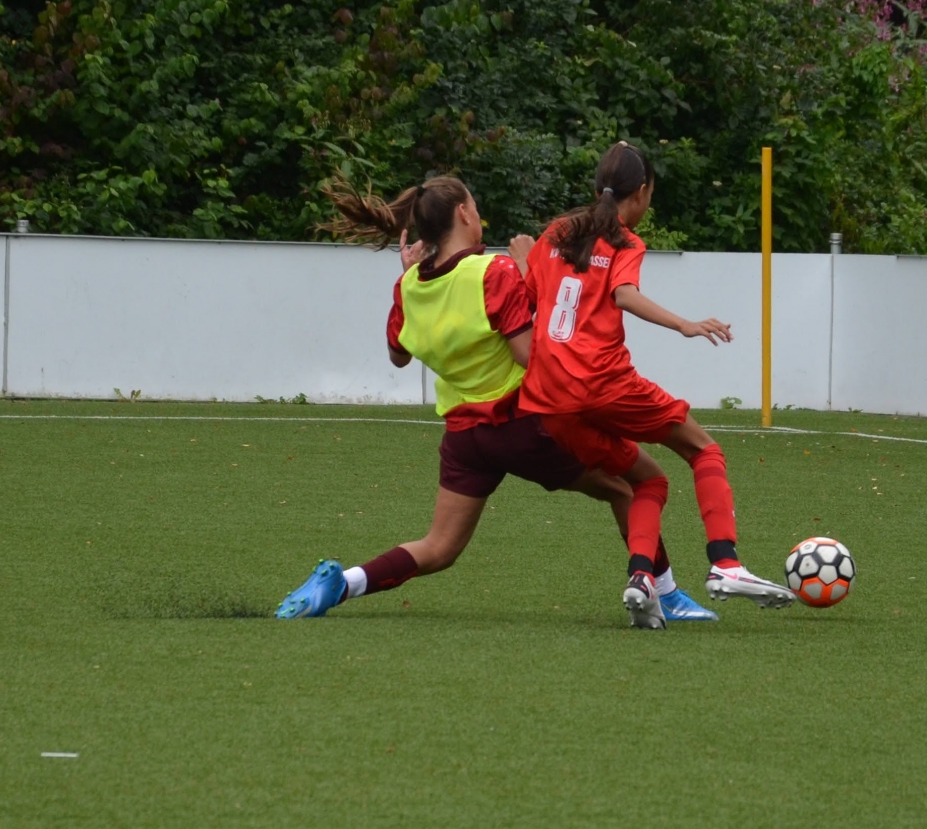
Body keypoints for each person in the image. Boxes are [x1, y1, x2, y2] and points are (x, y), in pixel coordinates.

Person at [275, 176, 717, 621]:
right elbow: (528, 355)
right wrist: (529, 270)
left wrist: (407, 277)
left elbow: (398, 356)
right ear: (463, 213)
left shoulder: (409, 284)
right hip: (523, 424)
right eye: (474, 204)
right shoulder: (494, 271)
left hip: (466, 438)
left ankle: (343, 583)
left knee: (439, 546)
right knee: (631, 485)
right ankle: (665, 593)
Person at [520, 142, 795, 630]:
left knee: (649, 480)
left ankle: (642, 580)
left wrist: (524, 262)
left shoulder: (557, 233)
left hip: (550, 401)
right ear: (642, 191)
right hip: (603, 382)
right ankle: (726, 562)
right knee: (703, 449)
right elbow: (624, 294)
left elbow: (533, 297)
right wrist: (685, 324)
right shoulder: (625, 242)